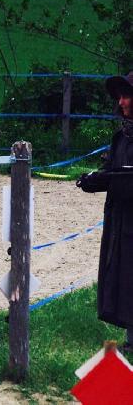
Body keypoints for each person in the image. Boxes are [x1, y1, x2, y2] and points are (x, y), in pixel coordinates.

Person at [77, 71, 133, 356]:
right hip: (122, 219)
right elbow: (112, 172)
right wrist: (93, 181)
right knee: (124, 274)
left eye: (127, 96)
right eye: (120, 97)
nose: (122, 102)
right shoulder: (121, 138)